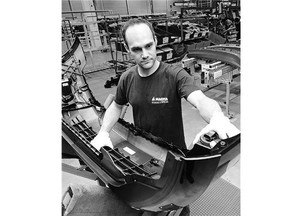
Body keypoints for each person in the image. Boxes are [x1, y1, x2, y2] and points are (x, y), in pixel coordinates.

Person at [89, 18, 240, 215]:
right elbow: (116, 106)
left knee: (177, 206)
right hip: (143, 151)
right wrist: (103, 132)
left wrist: (217, 117)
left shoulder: (175, 75)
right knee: (148, 204)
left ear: (155, 42)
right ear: (127, 49)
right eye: (136, 49)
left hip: (175, 160)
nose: (145, 54)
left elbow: (200, 100)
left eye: (148, 46)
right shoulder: (127, 78)